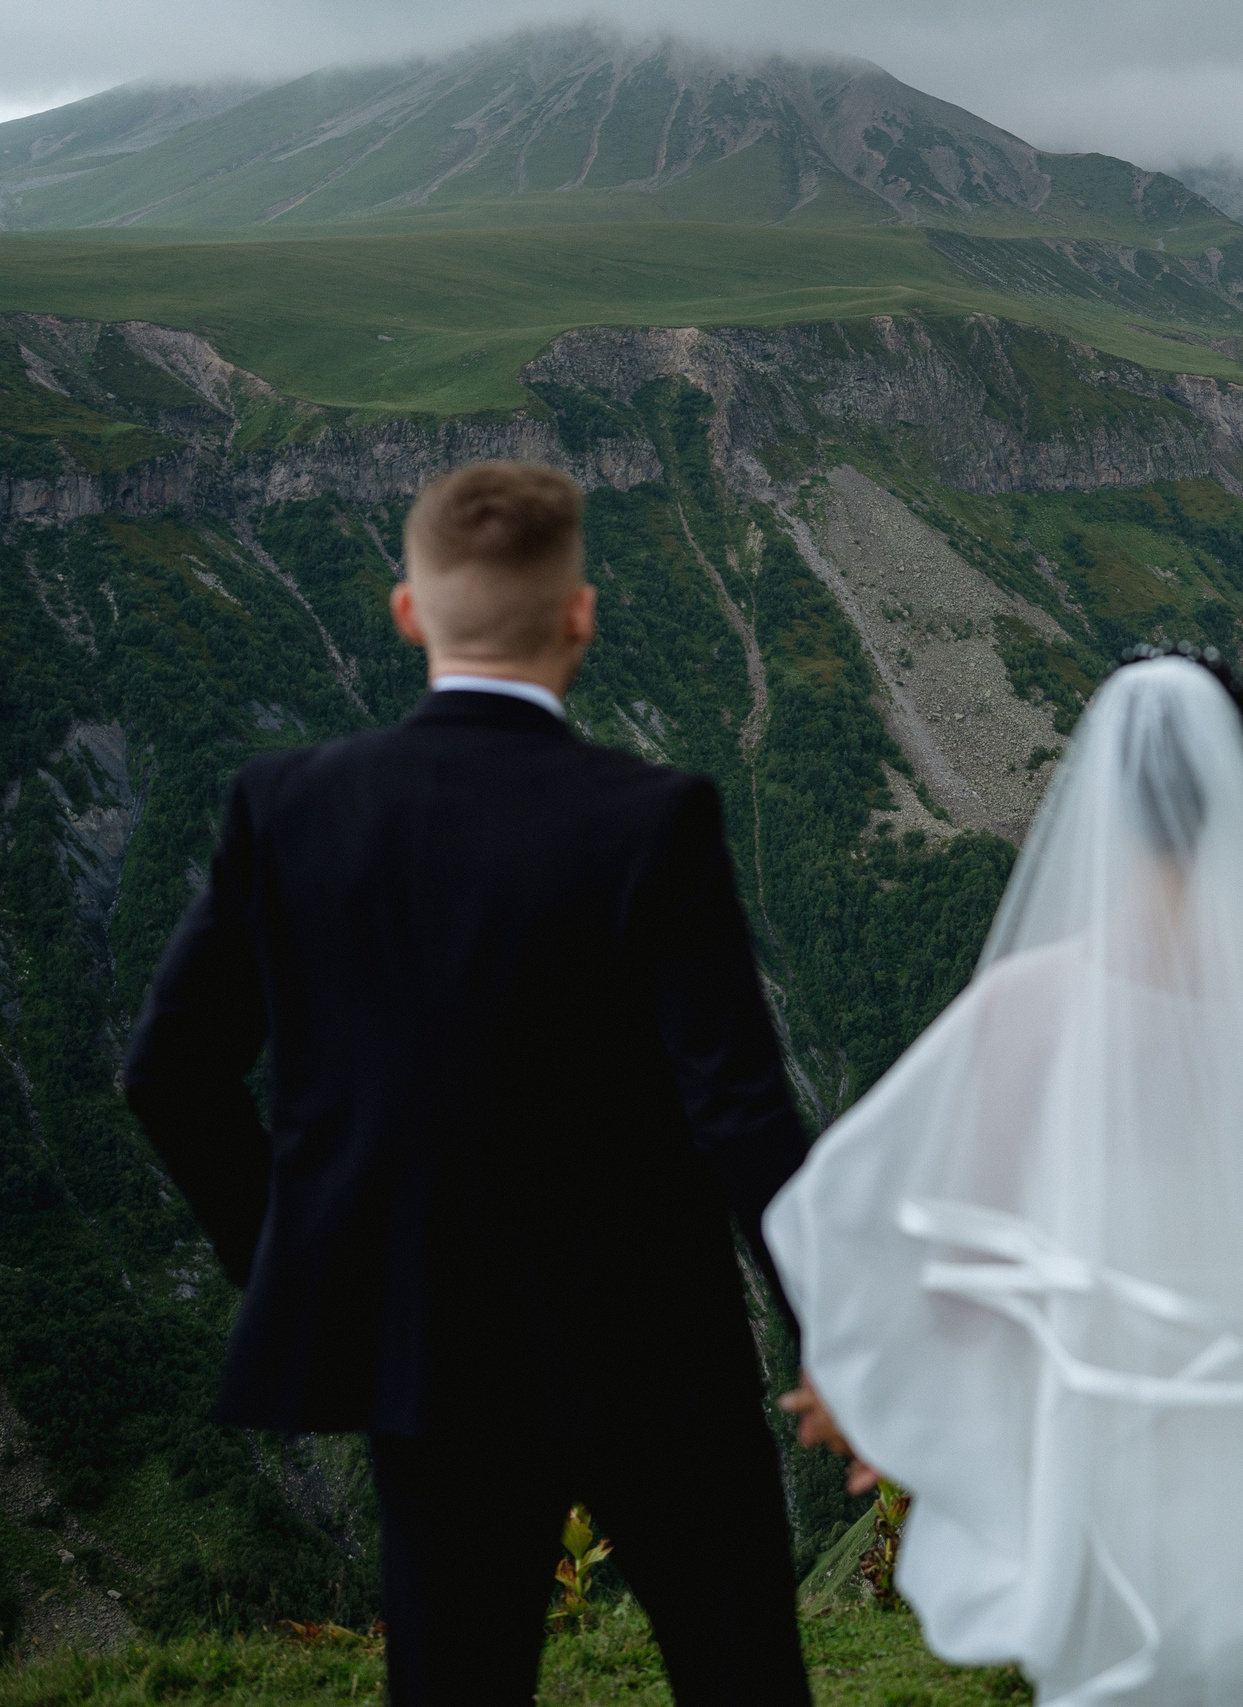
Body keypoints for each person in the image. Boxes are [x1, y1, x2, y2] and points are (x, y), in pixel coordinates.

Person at [123, 461, 813, 1705]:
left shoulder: (287, 807)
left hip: (422, 1340)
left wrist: (291, 1252)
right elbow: (742, 1114)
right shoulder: (655, 818)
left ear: (405, 611)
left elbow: (168, 1073)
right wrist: (837, 1337)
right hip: (654, 1339)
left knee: (457, 1681)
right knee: (738, 1669)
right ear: (581, 615)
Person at [767, 646, 1243, 1707]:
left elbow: (939, 1247)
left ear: (1104, 797)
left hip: (1112, 1478)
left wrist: (864, 1390)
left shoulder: (1023, 1011)